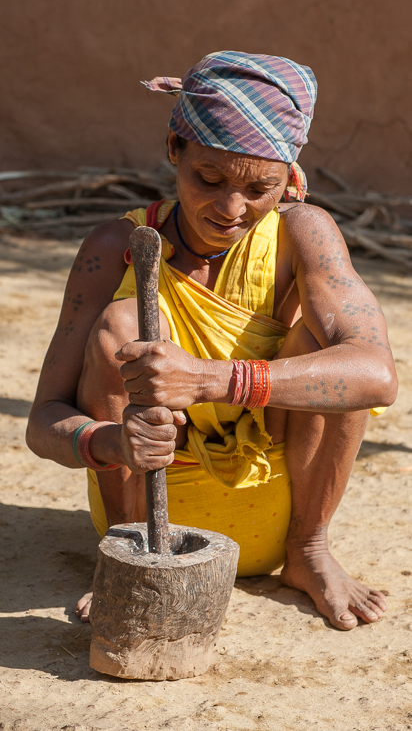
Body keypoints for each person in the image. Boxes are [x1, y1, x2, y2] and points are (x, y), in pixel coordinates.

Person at [26, 51, 397, 631]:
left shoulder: (304, 234)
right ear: (175, 148)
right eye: (209, 179)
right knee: (120, 328)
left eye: (260, 189)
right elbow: (42, 421)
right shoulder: (113, 246)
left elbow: (376, 375)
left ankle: (311, 551)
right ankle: (128, 562)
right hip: (146, 516)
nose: (230, 209)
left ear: (291, 180)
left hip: (277, 509)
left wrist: (207, 379)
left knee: (326, 355)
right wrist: (110, 443)